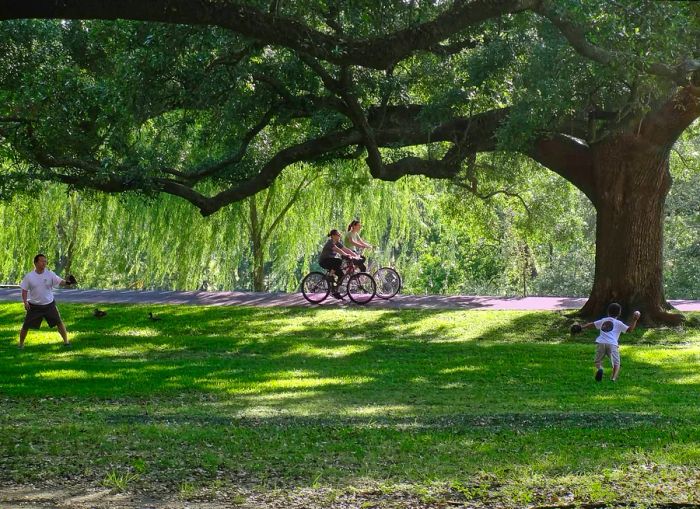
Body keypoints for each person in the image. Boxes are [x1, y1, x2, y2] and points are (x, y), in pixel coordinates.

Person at [18, 254, 75, 349]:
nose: (44, 263)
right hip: (34, 306)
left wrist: (68, 282)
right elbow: (24, 290)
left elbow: (60, 281)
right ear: (36, 263)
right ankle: (20, 344)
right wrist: (25, 302)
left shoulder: (50, 274)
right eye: (42, 261)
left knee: (59, 322)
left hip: (49, 305)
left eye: (45, 261)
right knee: (26, 325)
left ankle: (66, 342)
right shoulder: (29, 276)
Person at [579, 302, 640, 382]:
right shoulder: (618, 323)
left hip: (601, 342)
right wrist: (635, 320)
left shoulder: (603, 320)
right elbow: (630, 330)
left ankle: (600, 368)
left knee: (598, 361)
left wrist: (581, 327)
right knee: (616, 363)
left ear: (608, 312)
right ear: (619, 313)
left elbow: (592, 324)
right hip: (612, 344)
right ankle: (613, 378)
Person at [319, 229, 358, 299]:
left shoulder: (337, 242)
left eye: (340, 235)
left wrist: (356, 255)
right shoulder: (330, 243)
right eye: (338, 235)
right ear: (333, 236)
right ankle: (330, 276)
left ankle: (334, 290)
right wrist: (346, 255)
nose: (339, 236)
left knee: (341, 275)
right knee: (338, 261)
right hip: (324, 261)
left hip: (330, 262)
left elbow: (346, 249)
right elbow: (338, 250)